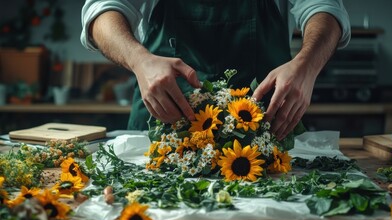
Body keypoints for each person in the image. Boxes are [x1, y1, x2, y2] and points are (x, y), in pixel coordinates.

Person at [81, 0, 351, 140]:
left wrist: (307, 66)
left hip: (267, 133)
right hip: (161, 132)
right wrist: (139, 60)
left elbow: (324, 7)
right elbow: (102, 9)